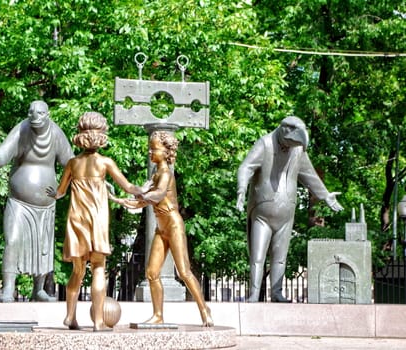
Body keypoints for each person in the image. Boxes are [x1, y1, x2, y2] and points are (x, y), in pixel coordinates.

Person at [47, 111, 143, 331]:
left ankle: (70, 317)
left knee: (77, 271)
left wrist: (52, 194)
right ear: (101, 135)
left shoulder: (72, 163)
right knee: (99, 267)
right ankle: (98, 321)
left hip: (77, 219)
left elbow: (60, 192)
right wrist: (143, 190)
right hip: (97, 220)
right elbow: (128, 187)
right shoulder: (105, 162)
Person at [110, 131, 214, 327]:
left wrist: (140, 195)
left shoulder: (166, 173)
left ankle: (204, 309)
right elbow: (142, 199)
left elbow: (156, 196)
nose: (150, 152)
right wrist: (119, 199)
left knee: (184, 272)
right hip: (161, 228)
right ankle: (158, 315)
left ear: (166, 152)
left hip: (173, 225)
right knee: (151, 273)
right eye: (150, 148)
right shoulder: (155, 173)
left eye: (154, 148)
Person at [236, 116, 343, 302]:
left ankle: (277, 292)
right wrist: (241, 191)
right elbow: (246, 167)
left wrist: (325, 196)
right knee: (258, 256)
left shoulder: (298, 150)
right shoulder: (265, 144)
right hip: (262, 213)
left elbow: (309, 175)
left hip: (287, 212)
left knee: (280, 256)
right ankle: (254, 294)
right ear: (284, 129)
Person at [0, 100, 74, 302]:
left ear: (47, 115)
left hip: (46, 204)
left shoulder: (56, 133)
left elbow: (71, 163)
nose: (35, 117)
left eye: (39, 113)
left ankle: (38, 289)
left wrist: (68, 186)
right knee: (12, 240)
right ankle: (8, 288)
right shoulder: (22, 129)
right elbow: (4, 152)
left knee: (43, 247)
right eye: (31, 112)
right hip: (19, 202)